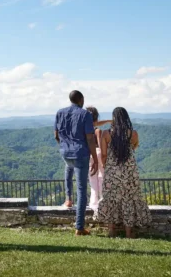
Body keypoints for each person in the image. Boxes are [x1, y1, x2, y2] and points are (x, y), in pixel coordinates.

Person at [96, 107, 151, 238]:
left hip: (112, 171)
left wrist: (106, 166)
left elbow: (103, 154)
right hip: (129, 171)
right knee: (129, 199)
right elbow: (134, 147)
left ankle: (111, 230)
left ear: (113, 118)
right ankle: (128, 232)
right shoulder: (133, 134)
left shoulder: (106, 134)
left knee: (111, 199)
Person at [54, 90, 99, 236]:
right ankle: (79, 227)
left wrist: (64, 146)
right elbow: (90, 139)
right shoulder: (85, 114)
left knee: (68, 169)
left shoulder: (60, 113)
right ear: (81, 99)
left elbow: (56, 135)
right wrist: (95, 159)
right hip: (81, 153)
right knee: (81, 190)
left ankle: (68, 199)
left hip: (65, 152)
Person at [85, 106, 110, 215]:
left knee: (92, 179)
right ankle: (102, 201)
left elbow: (97, 123)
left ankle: (93, 203)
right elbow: (100, 144)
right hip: (98, 152)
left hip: (88, 154)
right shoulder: (98, 131)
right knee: (101, 177)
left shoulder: (85, 128)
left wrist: (108, 121)